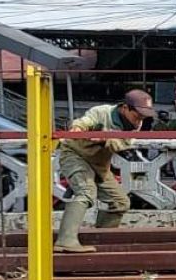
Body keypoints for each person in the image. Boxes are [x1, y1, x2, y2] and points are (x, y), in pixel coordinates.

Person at [55, 89, 154, 253]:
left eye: (142, 117)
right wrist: (77, 129)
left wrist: (104, 139)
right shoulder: (101, 112)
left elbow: (121, 145)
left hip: (99, 164)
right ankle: (66, 240)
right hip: (75, 155)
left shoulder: (135, 127)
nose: (139, 121)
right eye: (137, 116)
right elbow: (85, 121)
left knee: (120, 202)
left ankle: (100, 238)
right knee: (86, 192)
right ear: (125, 108)